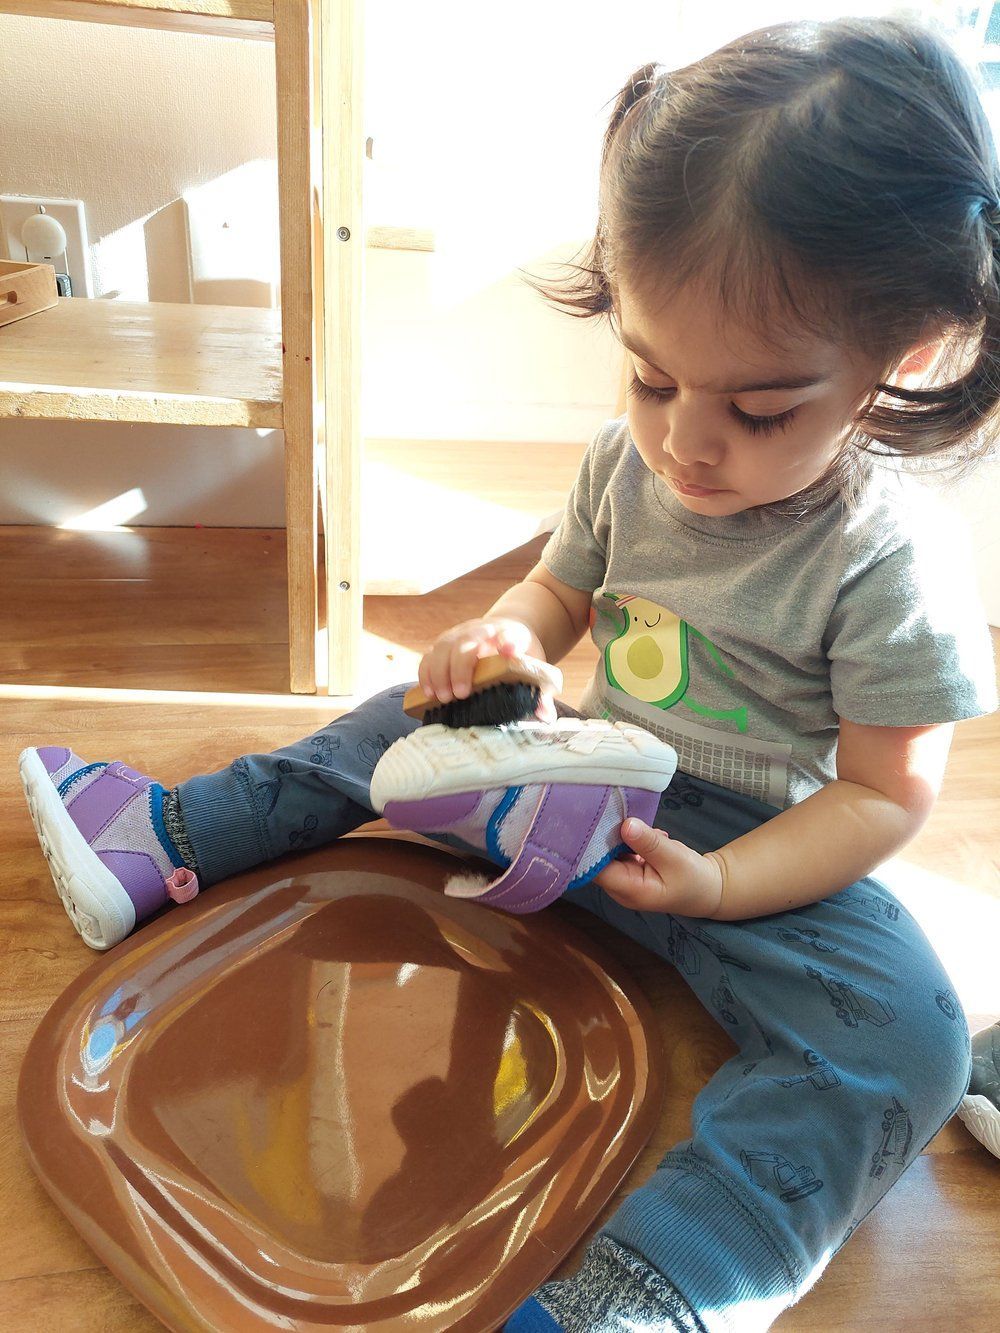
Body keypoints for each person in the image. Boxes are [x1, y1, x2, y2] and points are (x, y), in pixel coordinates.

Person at [18, 16, 1000, 1332]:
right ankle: (164, 836)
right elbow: (560, 592)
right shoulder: (624, 460)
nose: (686, 446)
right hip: (580, 789)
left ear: (911, 357)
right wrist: (506, 644)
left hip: (760, 857)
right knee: (391, 715)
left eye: (760, 410)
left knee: (914, 1039)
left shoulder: (889, 564)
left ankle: (642, 1296)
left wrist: (722, 884)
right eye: (651, 375)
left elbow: (883, 799)